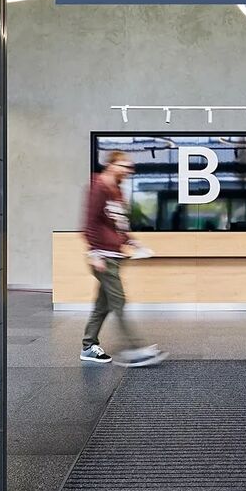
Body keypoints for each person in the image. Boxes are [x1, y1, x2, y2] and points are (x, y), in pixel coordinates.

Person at [79, 150, 167, 367]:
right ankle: (135, 349)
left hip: (115, 255)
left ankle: (89, 346)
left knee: (103, 305)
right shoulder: (98, 187)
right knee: (119, 301)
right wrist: (94, 252)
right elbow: (89, 223)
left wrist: (134, 243)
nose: (129, 170)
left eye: (129, 167)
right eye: (125, 166)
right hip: (103, 257)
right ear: (112, 165)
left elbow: (119, 225)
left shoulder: (117, 191)